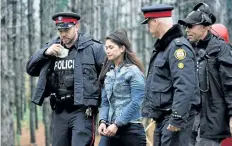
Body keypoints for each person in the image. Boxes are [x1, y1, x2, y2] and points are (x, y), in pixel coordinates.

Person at [26, 12, 106, 146]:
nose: (63, 34)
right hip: (59, 111)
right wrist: (45, 53)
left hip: (83, 111)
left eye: (67, 30)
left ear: (77, 26)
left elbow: (108, 77)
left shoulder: (93, 48)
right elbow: (30, 69)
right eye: (60, 30)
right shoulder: (52, 48)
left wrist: (104, 114)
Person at [140, 4, 200, 146]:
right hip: (162, 118)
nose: (148, 27)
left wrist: (177, 117)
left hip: (174, 118)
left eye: (148, 22)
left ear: (156, 21)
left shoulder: (178, 48)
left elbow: (184, 86)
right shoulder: (163, 48)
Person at [178, 2, 232, 146]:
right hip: (189, 120)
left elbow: (230, 84)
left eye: (190, 26)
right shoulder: (187, 51)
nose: (187, 30)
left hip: (212, 119)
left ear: (204, 28)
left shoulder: (221, 49)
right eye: (185, 26)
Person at [97, 29, 147, 146]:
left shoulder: (134, 72)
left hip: (131, 130)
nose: (107, 51)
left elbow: (136, 102)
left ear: (122, 49)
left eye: (111, 47)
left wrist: (117, 123)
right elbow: (105, 102)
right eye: (106, 48)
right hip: (110, 131)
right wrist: (103, 121)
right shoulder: (108, 73)